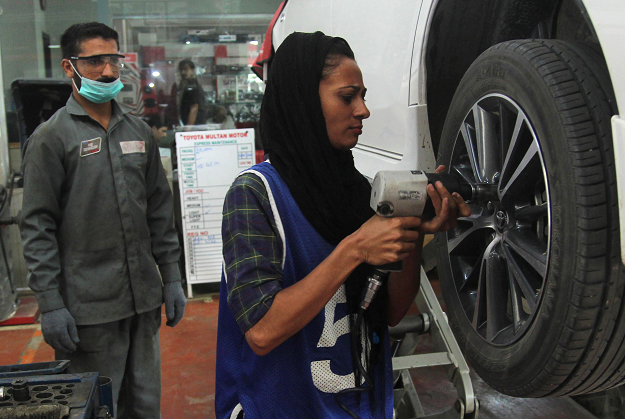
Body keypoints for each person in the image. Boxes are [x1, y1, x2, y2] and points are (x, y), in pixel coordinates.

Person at [215, 32, 470, 418]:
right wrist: (355, 249)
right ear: (302, 100)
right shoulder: (255, 195)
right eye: (347, 96)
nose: (363, 110)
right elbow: (262, 331)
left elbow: (390, 313)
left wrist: (412, 227)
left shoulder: (360, 193)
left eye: (363, 96)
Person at [20, 22, 186, 418]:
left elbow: (160, 212)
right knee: (95, 410)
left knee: (145, 405)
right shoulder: (52, 138)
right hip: (87, 310)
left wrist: (173, 276)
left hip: (143, 300)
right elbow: (37, 226)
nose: (108, 71)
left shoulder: (139, 132)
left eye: (113, 59)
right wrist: (51, 303)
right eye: (95, 61)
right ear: (68, 66)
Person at [176, 58, 208, 126]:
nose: (183, 72)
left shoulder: (192, 85)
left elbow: (194, 107)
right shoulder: (187, 84)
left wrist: (188, 128)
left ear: (193, 70)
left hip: (195, 125)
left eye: (185, 69)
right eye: (181, 70)